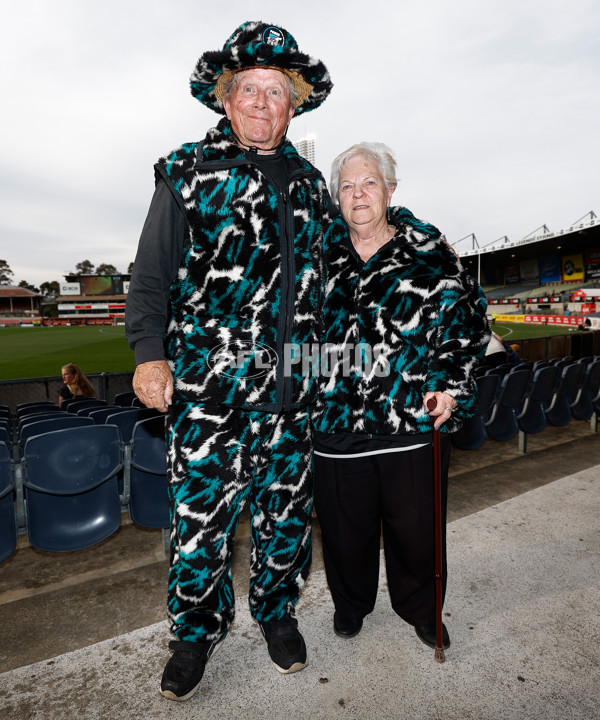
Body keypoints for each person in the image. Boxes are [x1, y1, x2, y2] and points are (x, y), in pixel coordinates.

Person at [125, 21, 333, 703]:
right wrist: (149, 356)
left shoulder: (308, 186)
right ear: (225, 97)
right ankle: (195, 633)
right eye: (248, 88)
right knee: (199, 530)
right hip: (210, 394)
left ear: (293, 103)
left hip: (292, 396)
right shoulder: (187, 172)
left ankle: (276, 615)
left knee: (284, 521)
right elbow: (150, 275)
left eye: (276, 91)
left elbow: (331, 286)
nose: (261, 103)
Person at [311, 142, 490, 650]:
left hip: (412, 422)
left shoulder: (428, 250)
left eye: (368, 182)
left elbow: (468, 322)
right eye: (346, 186)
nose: (358, 193)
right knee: (345, 534)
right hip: (335, 425)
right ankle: (351, 606)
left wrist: (451, 387)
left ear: (390, 189)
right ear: (336, 198)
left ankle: (421, 609)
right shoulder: (315, 256)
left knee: (418, 533)